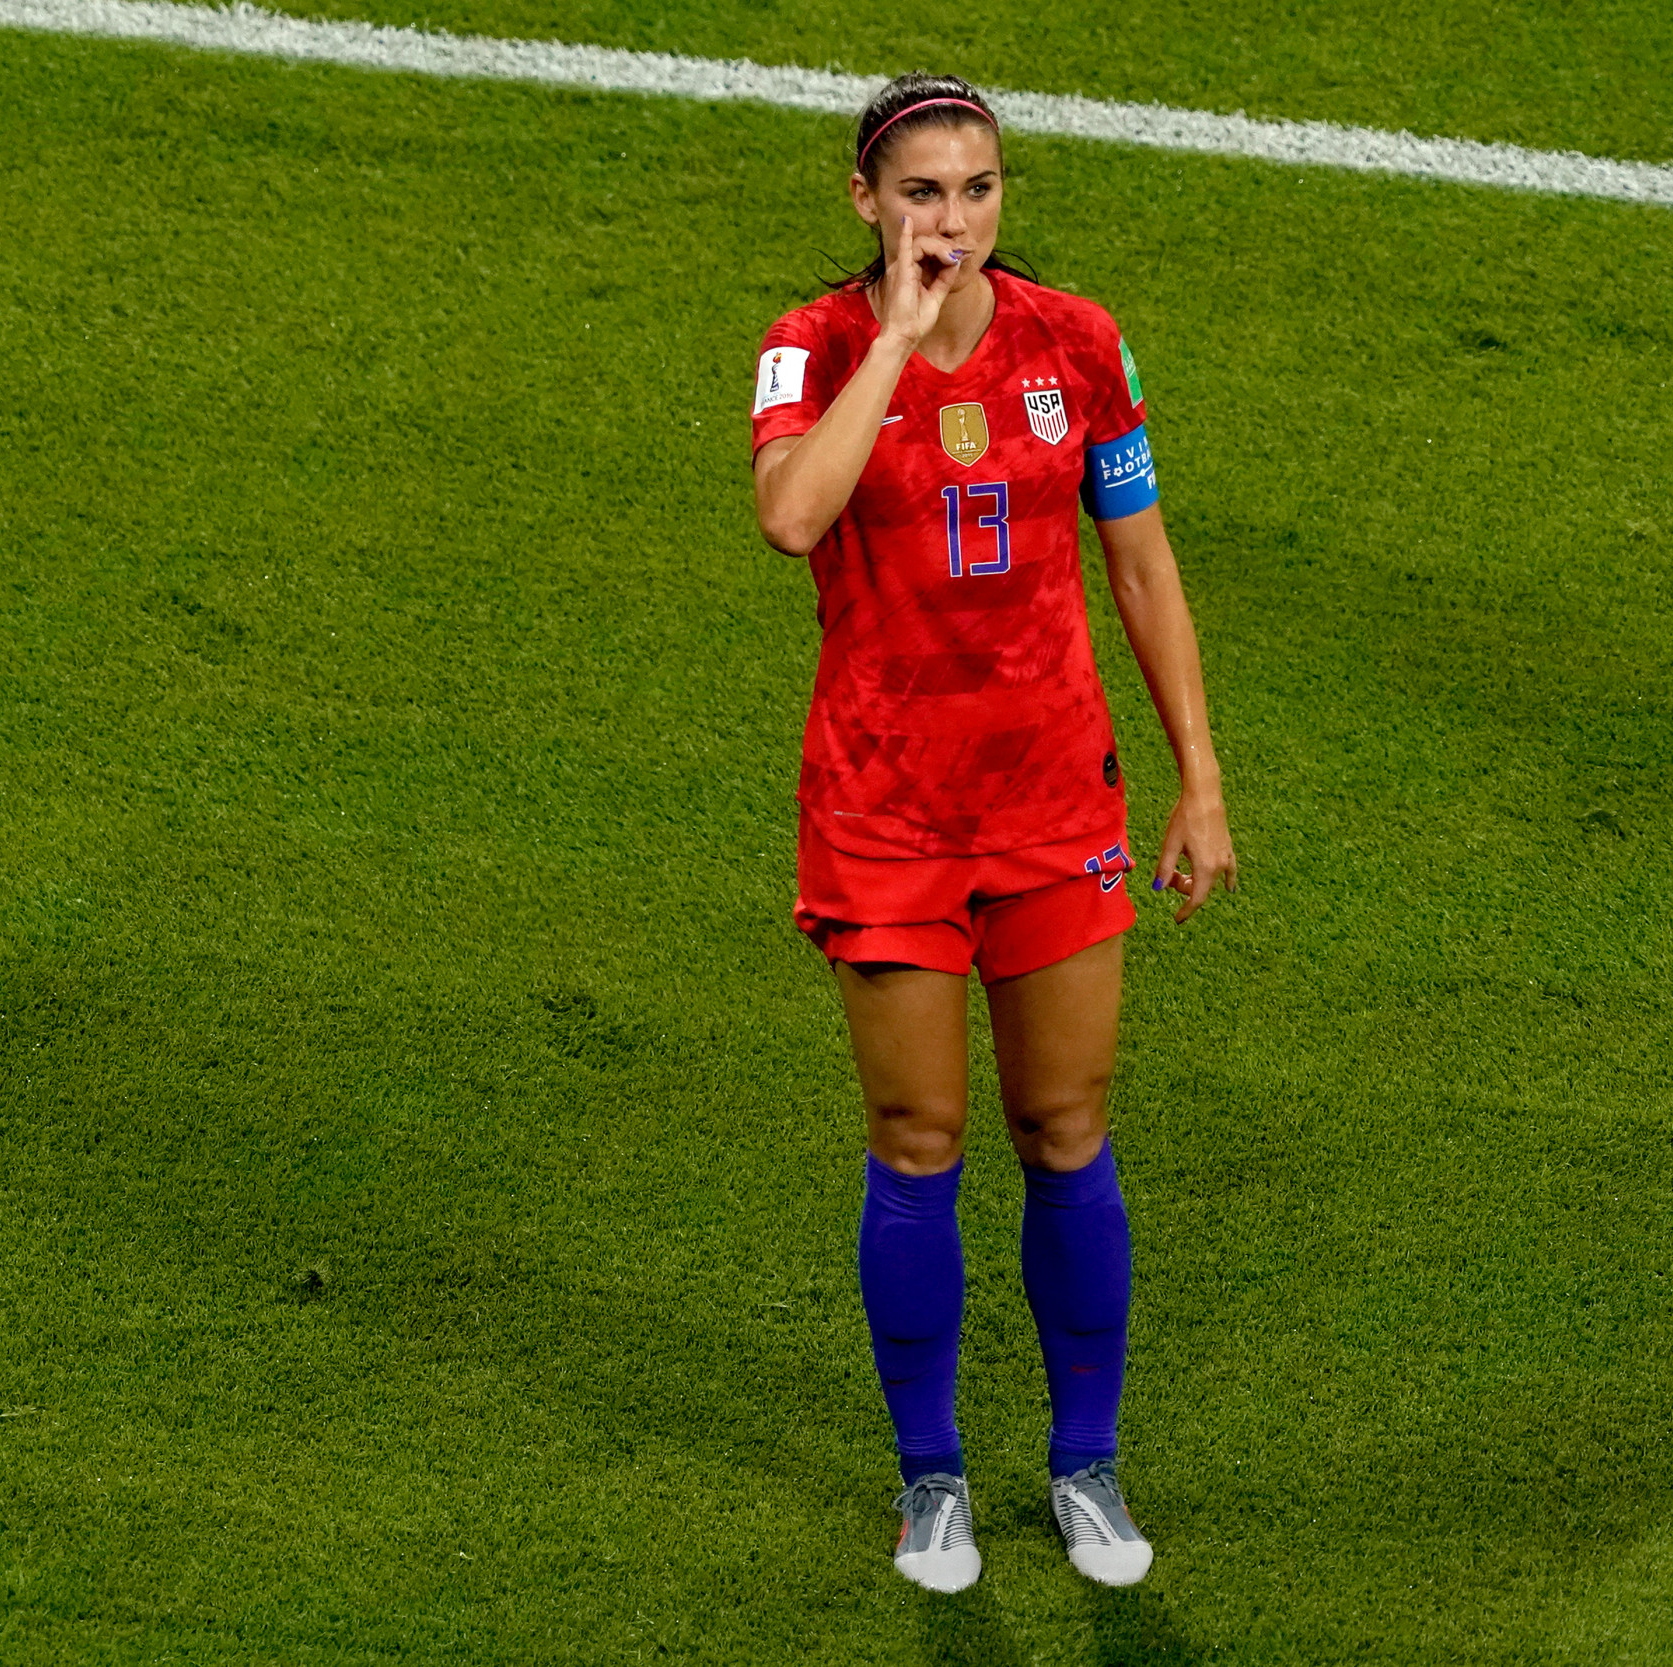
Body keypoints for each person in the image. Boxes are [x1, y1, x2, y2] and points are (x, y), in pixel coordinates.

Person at [749, 73, 1238, 1593]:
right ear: (866, 203)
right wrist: (895, 341)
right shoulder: (810, 347)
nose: (949, 220)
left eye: (975, 190)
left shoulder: (1080, 345)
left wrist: (1199, 779)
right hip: (886, 811)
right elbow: (790, 518)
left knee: (1066, 1132)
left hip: (1050, 804)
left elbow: (1143, 570)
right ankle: (931, 1479)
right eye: (920, 194)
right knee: (919, 1139)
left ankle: (1085, 1465)